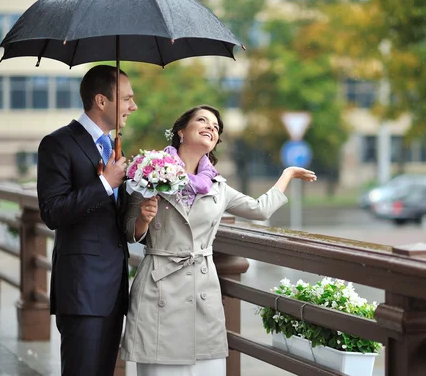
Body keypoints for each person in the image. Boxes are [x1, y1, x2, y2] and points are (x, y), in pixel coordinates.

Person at [120, 104, 317, 375]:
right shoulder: (147, 173)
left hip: (201, 290)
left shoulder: (218, 187)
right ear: (181, 131)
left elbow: (259, 210)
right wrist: (144, 218)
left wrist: (287, 174)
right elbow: (129, 230)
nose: (210, 128)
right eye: (202, 121)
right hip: (158, 287)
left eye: (215, 127)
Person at [36, 65, 138, 376]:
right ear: (101, 101)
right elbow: (52, 212)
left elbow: (114, 217)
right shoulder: (58, 143)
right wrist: (105, 183)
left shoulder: (115, 147)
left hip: (114, 289)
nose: (134, 107)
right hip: (82, 289)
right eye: (127, 99)